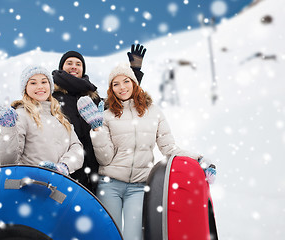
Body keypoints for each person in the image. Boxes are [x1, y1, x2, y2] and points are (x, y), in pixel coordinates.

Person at [77, 63, 216, 240]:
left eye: (126, 81)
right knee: (109, 236)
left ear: (134, 83)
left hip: (139, 186)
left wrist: (199, 160)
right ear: (111, 89)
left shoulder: (153, 112)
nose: (122, 87)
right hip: (110, 185)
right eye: (116, 84)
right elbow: (105, 159)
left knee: (133, 237)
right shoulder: (107, 115)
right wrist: (97, 129)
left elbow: (169, 148)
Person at [51, 44, 146, 193]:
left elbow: (120, 100)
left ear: (83, 69)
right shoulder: (51, 98)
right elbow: (30, 112)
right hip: (65, 167)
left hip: (94, 169)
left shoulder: (93, 98)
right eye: (69, 63)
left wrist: (134, 72)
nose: (74, 67)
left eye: (78, 64)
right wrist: (3, 124)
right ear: (62, 67)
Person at [0, 65, 84, 175]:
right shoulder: (21, 115)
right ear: (25, 88)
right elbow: (5, 162)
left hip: (59, 185)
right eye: (33, 83)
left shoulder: (61, 119)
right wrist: (8, 128)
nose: (40, 86)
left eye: (44, 82)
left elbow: (77, 148)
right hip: (30, 184)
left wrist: (64, 166)